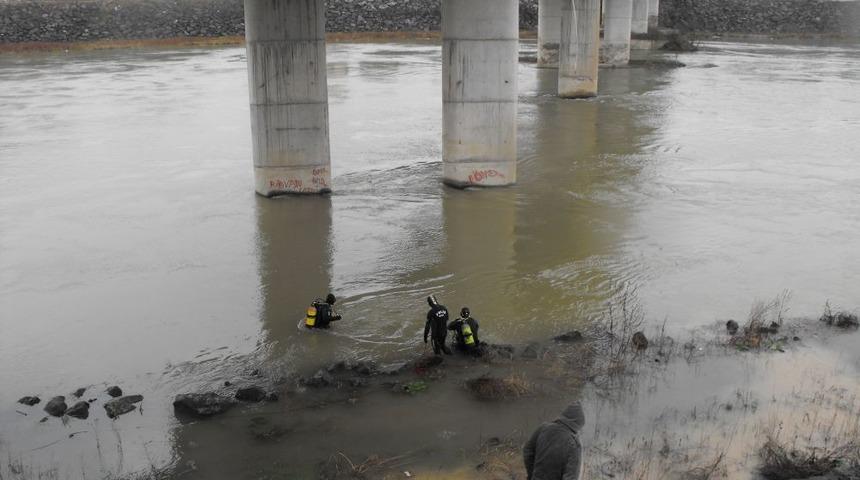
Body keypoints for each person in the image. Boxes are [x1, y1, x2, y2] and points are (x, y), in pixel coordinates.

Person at [523, 402, 585, 480]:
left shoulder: (543, 428)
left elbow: (527, 451)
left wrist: (532, 473)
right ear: (578, 423)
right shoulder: (574, 444)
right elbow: (571, 477)